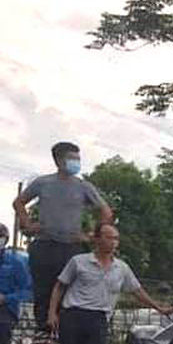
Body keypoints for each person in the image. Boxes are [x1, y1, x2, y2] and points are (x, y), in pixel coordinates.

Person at [13, 141, 113, 332]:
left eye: (78, 158)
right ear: (59, 160)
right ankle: (43, 334)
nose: (76, 162)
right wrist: (28, 224)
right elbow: (18, 202)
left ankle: (65, 335)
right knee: (43, 291)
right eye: (72, 158)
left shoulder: (83, 187)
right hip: (44, 244)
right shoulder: (43, 183)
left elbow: (106, 212)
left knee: (69, 292)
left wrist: (91, 236)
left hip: (71, 247)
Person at [0, 223, 32, 344]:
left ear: (5, 239)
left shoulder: (16, 262)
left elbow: (27, 290)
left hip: (5, 312)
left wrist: (6, 298)